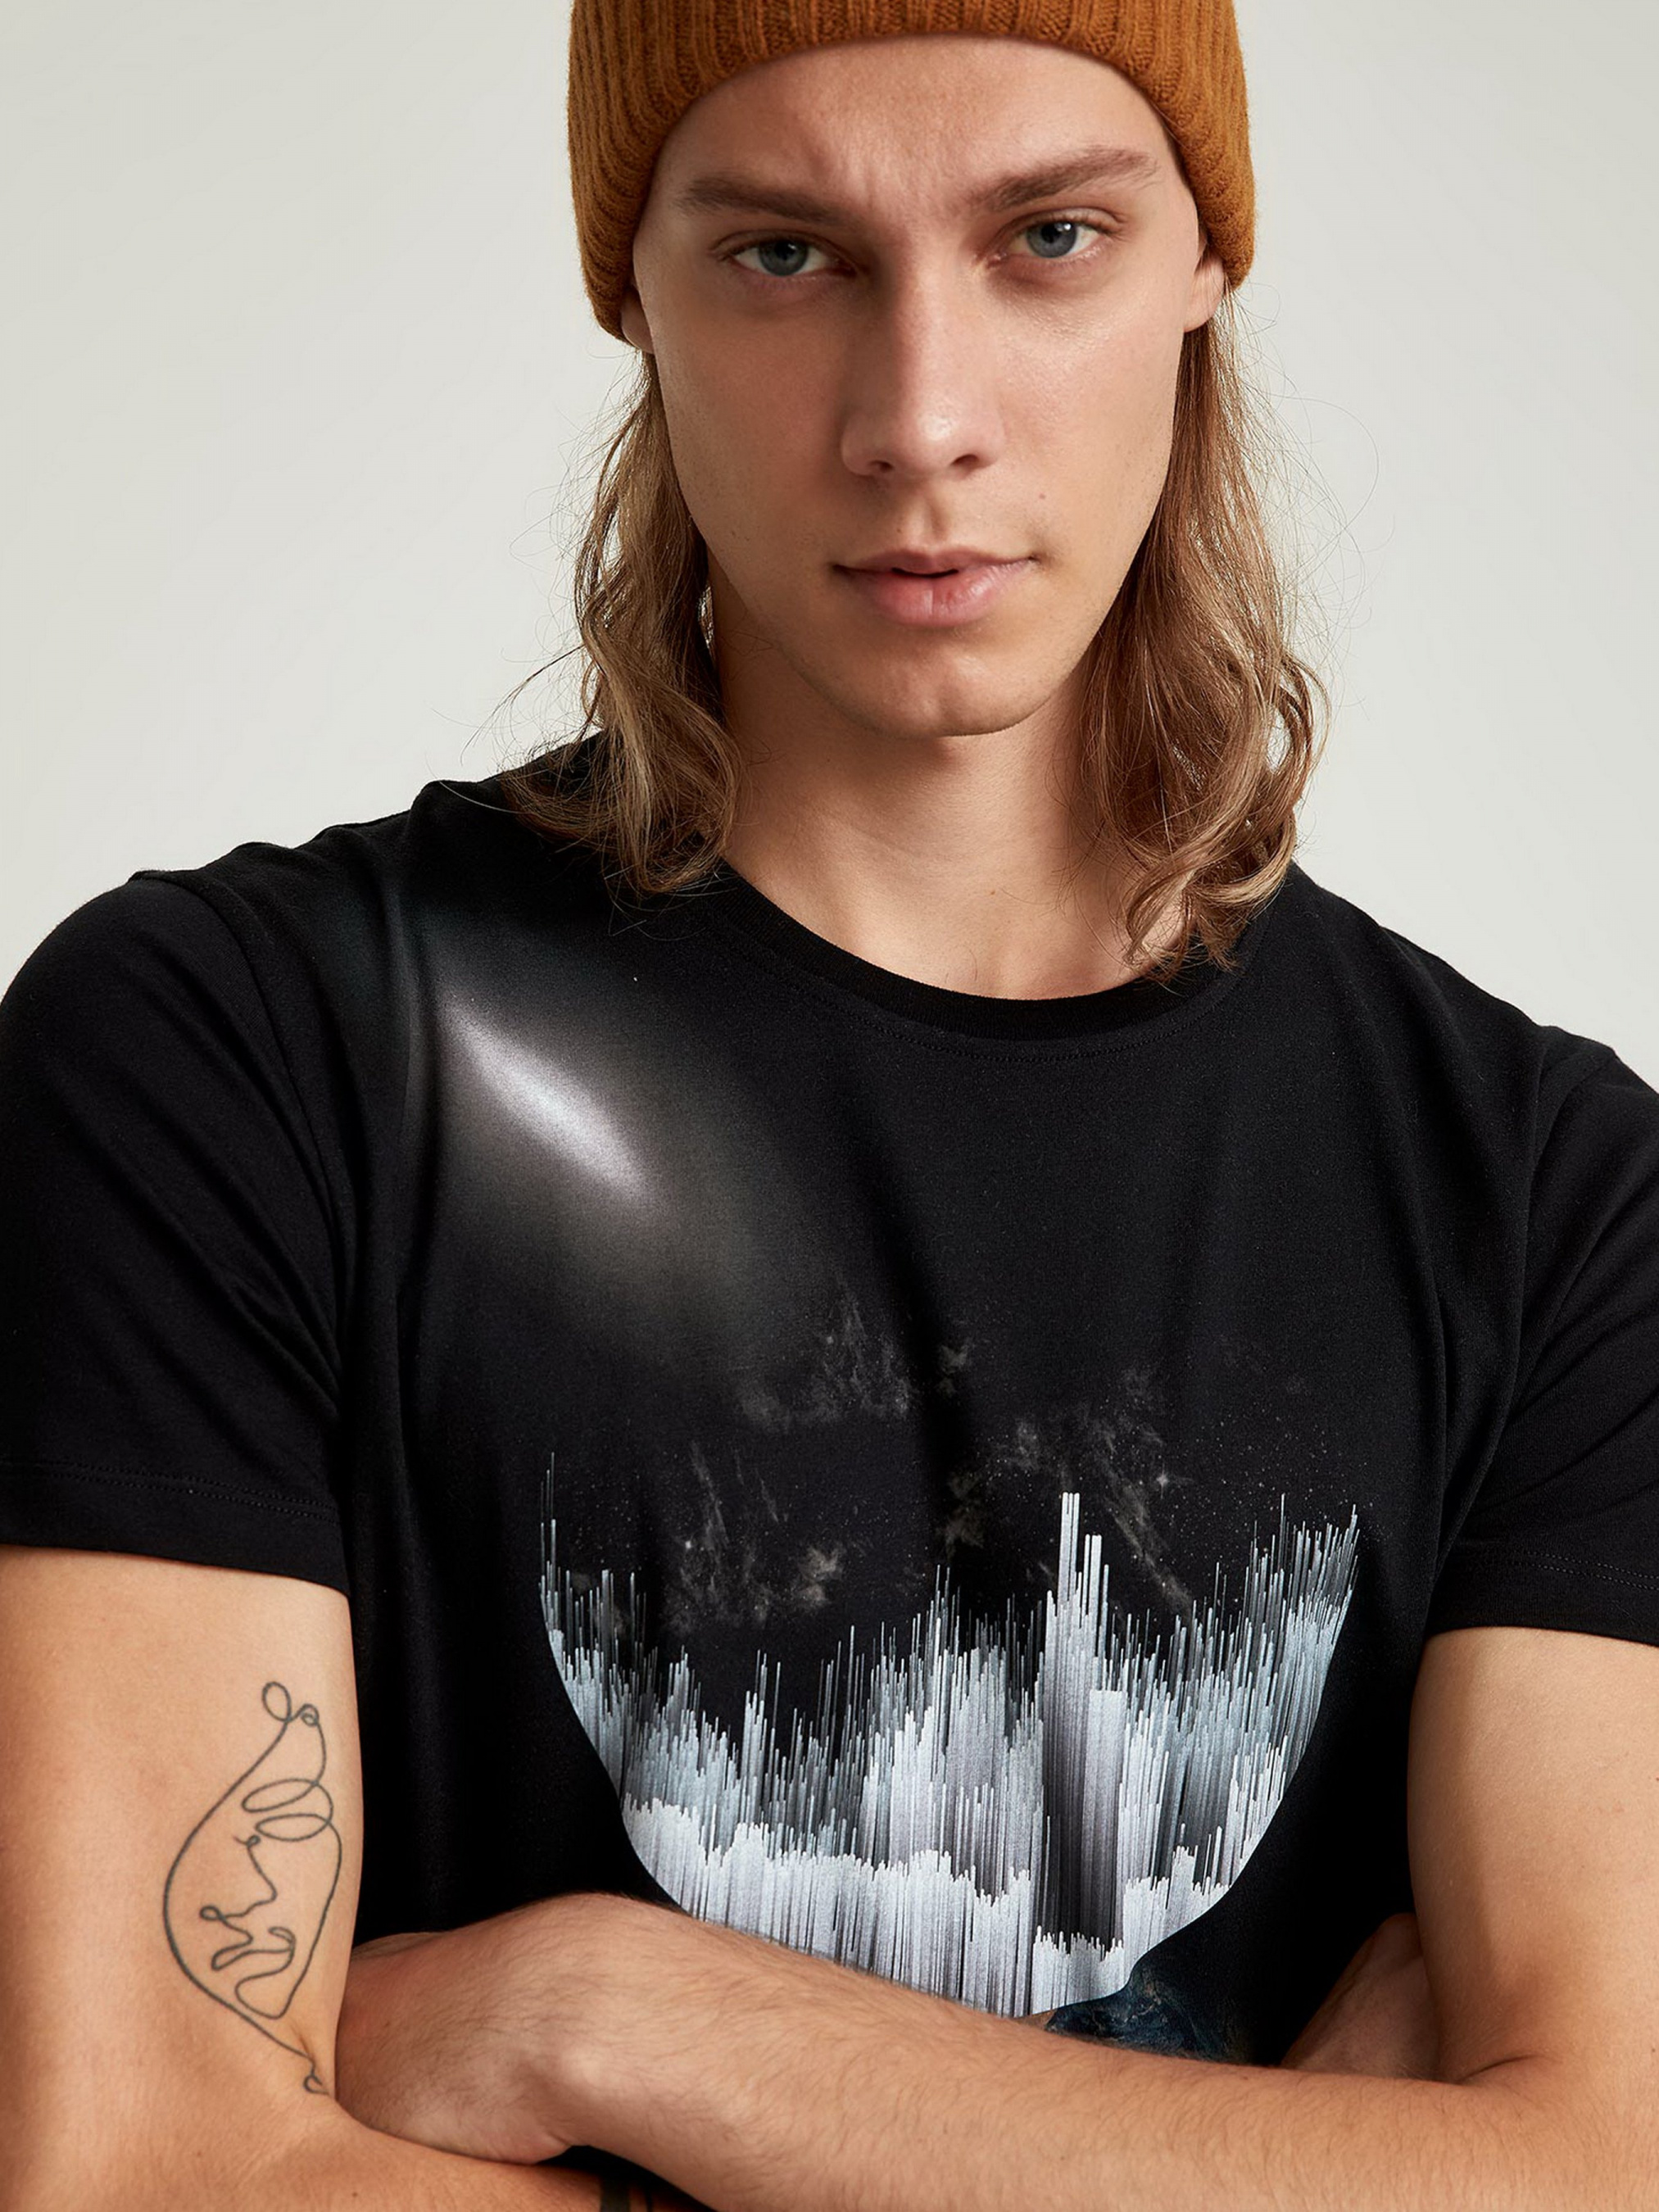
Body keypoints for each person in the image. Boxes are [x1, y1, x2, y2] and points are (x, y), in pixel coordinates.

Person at [2, 2, 1657, 2207]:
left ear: (1202, 261)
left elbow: (1600, 2164)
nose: (919, 421)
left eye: (1048, 237)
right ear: (634, 288)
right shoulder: (227, 1060)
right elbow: (146, 2172)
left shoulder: (1549, 1199)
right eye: (785, 254)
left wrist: (617, 2013)